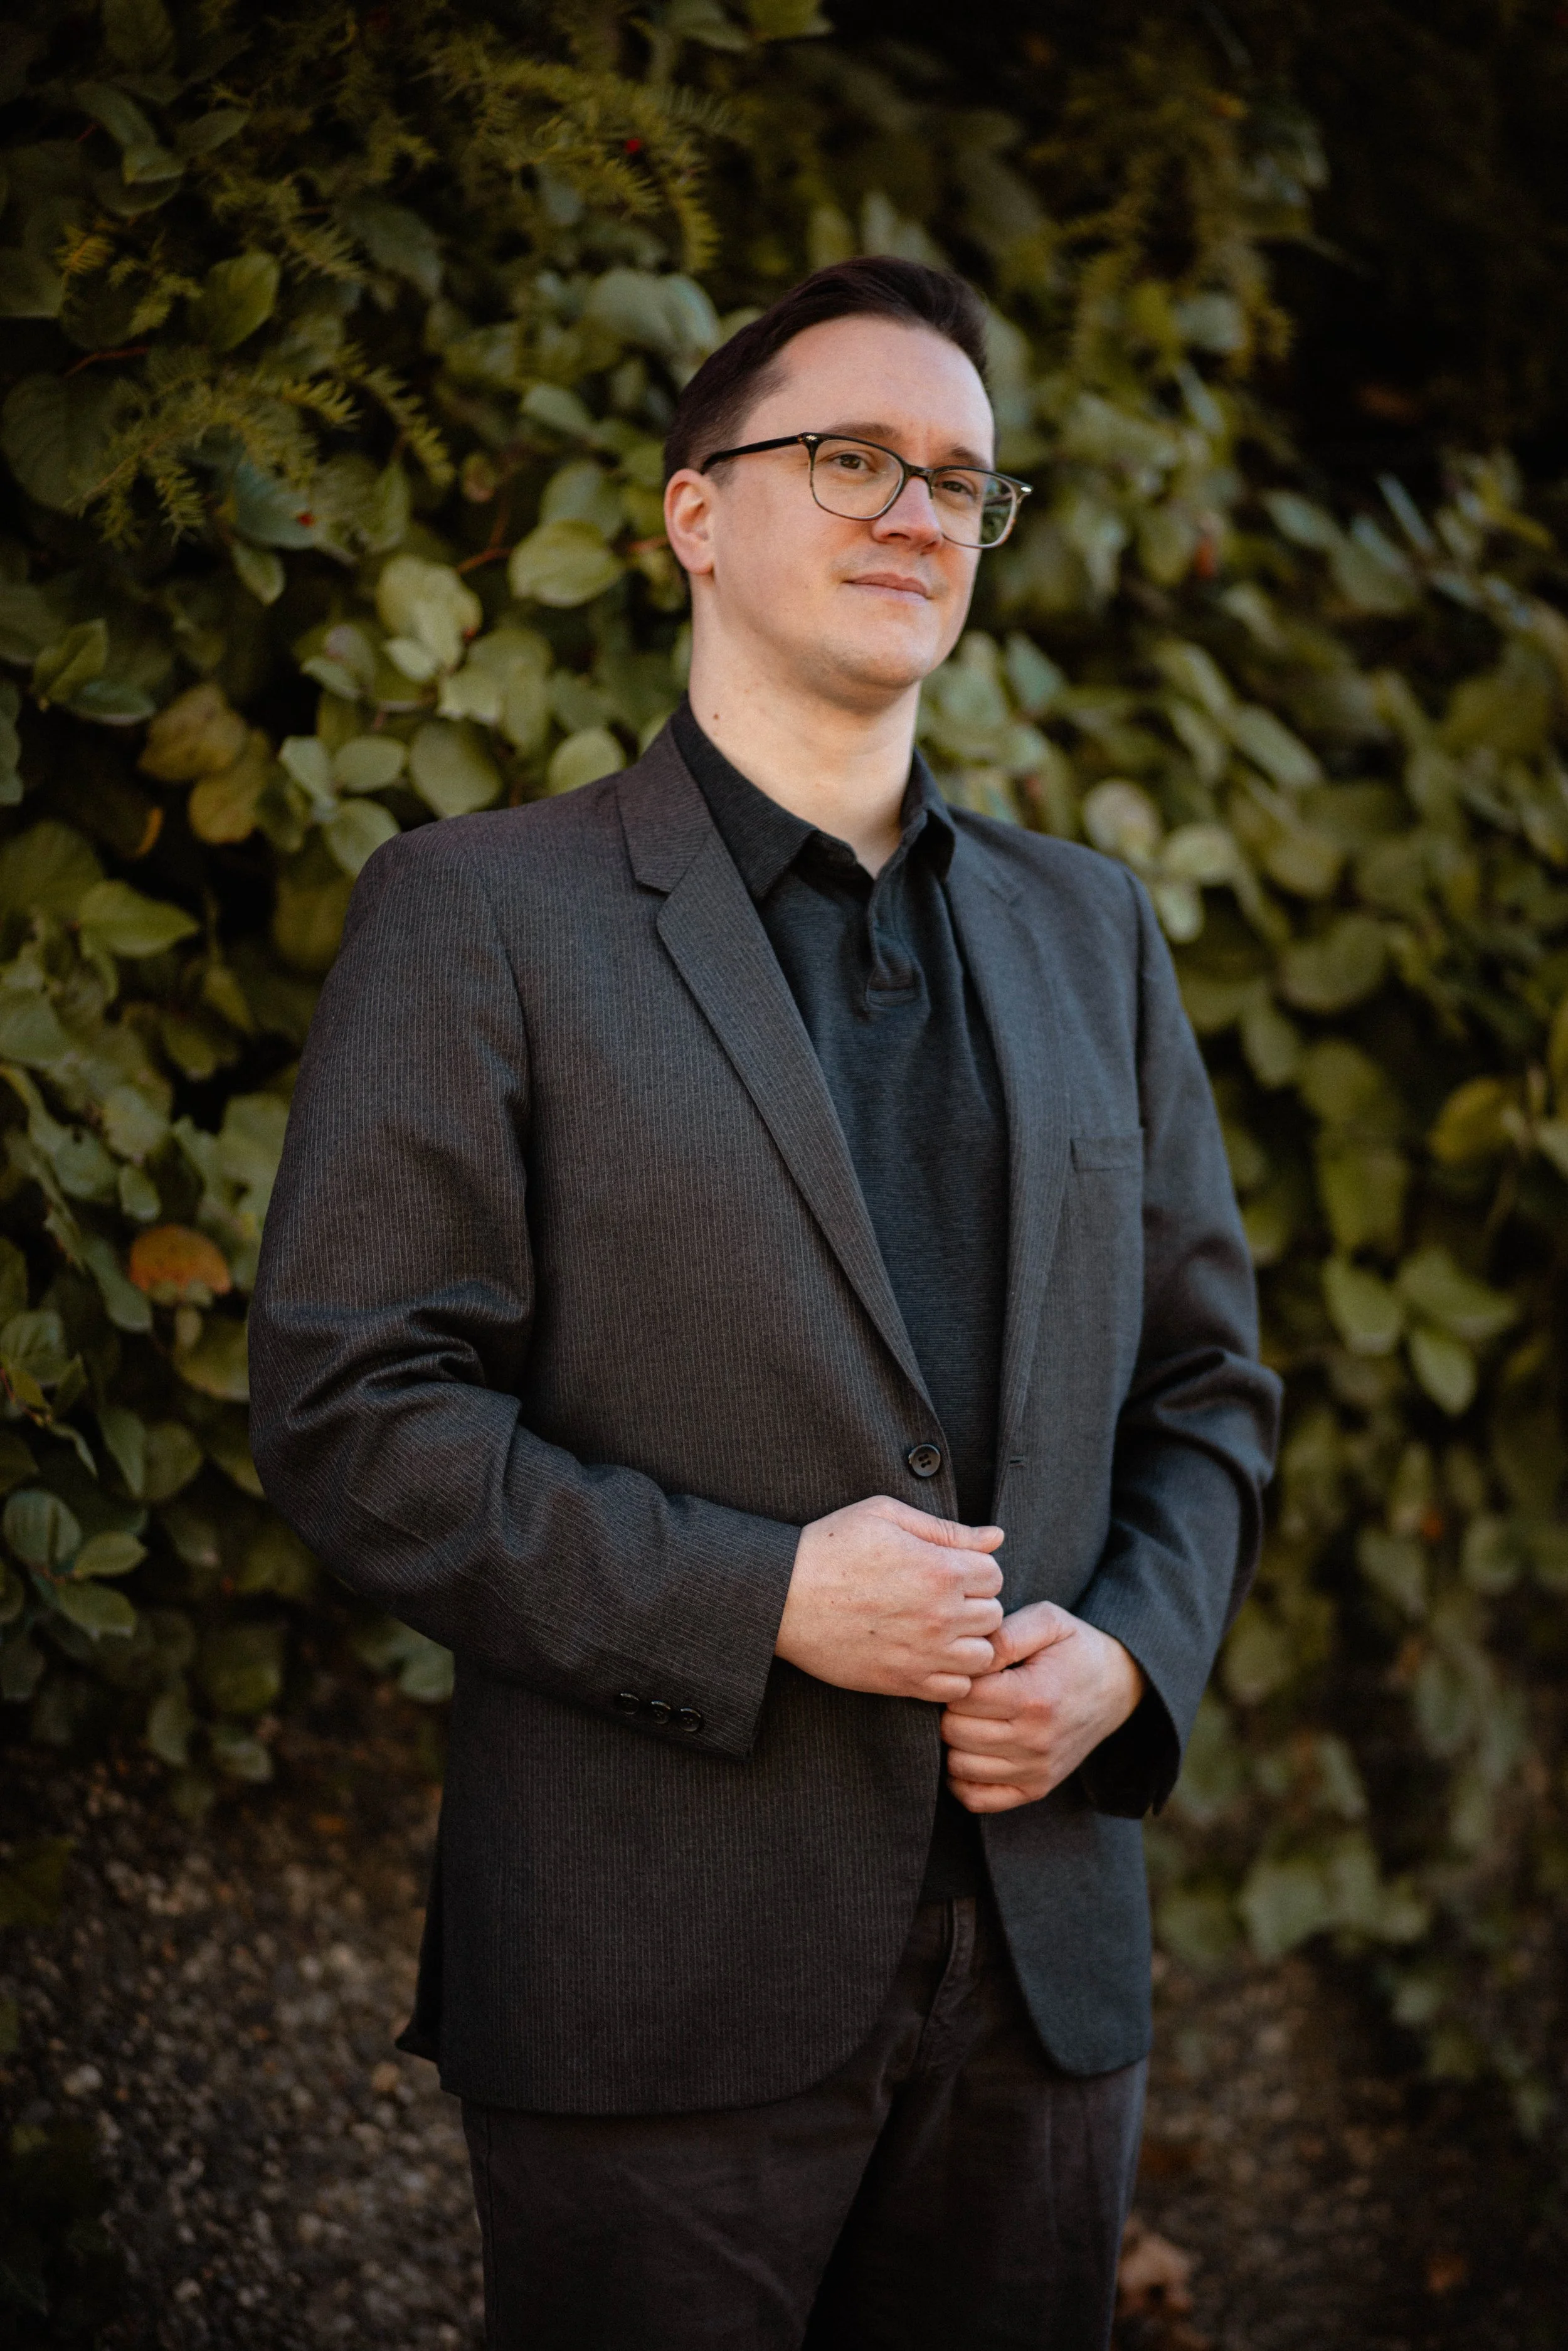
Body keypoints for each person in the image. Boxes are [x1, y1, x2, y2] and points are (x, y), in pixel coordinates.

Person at [250, 255, 1281, 2350]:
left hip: (1043, 1965)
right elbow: (357, 1408)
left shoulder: (1096, 931)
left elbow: (1205, 1392)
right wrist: (758, 1598)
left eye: (960, 481)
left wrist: (1133, 1662)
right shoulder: (477, 913)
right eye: (852, 458)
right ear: (694, 513)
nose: (918, 510)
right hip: (652, 1985)